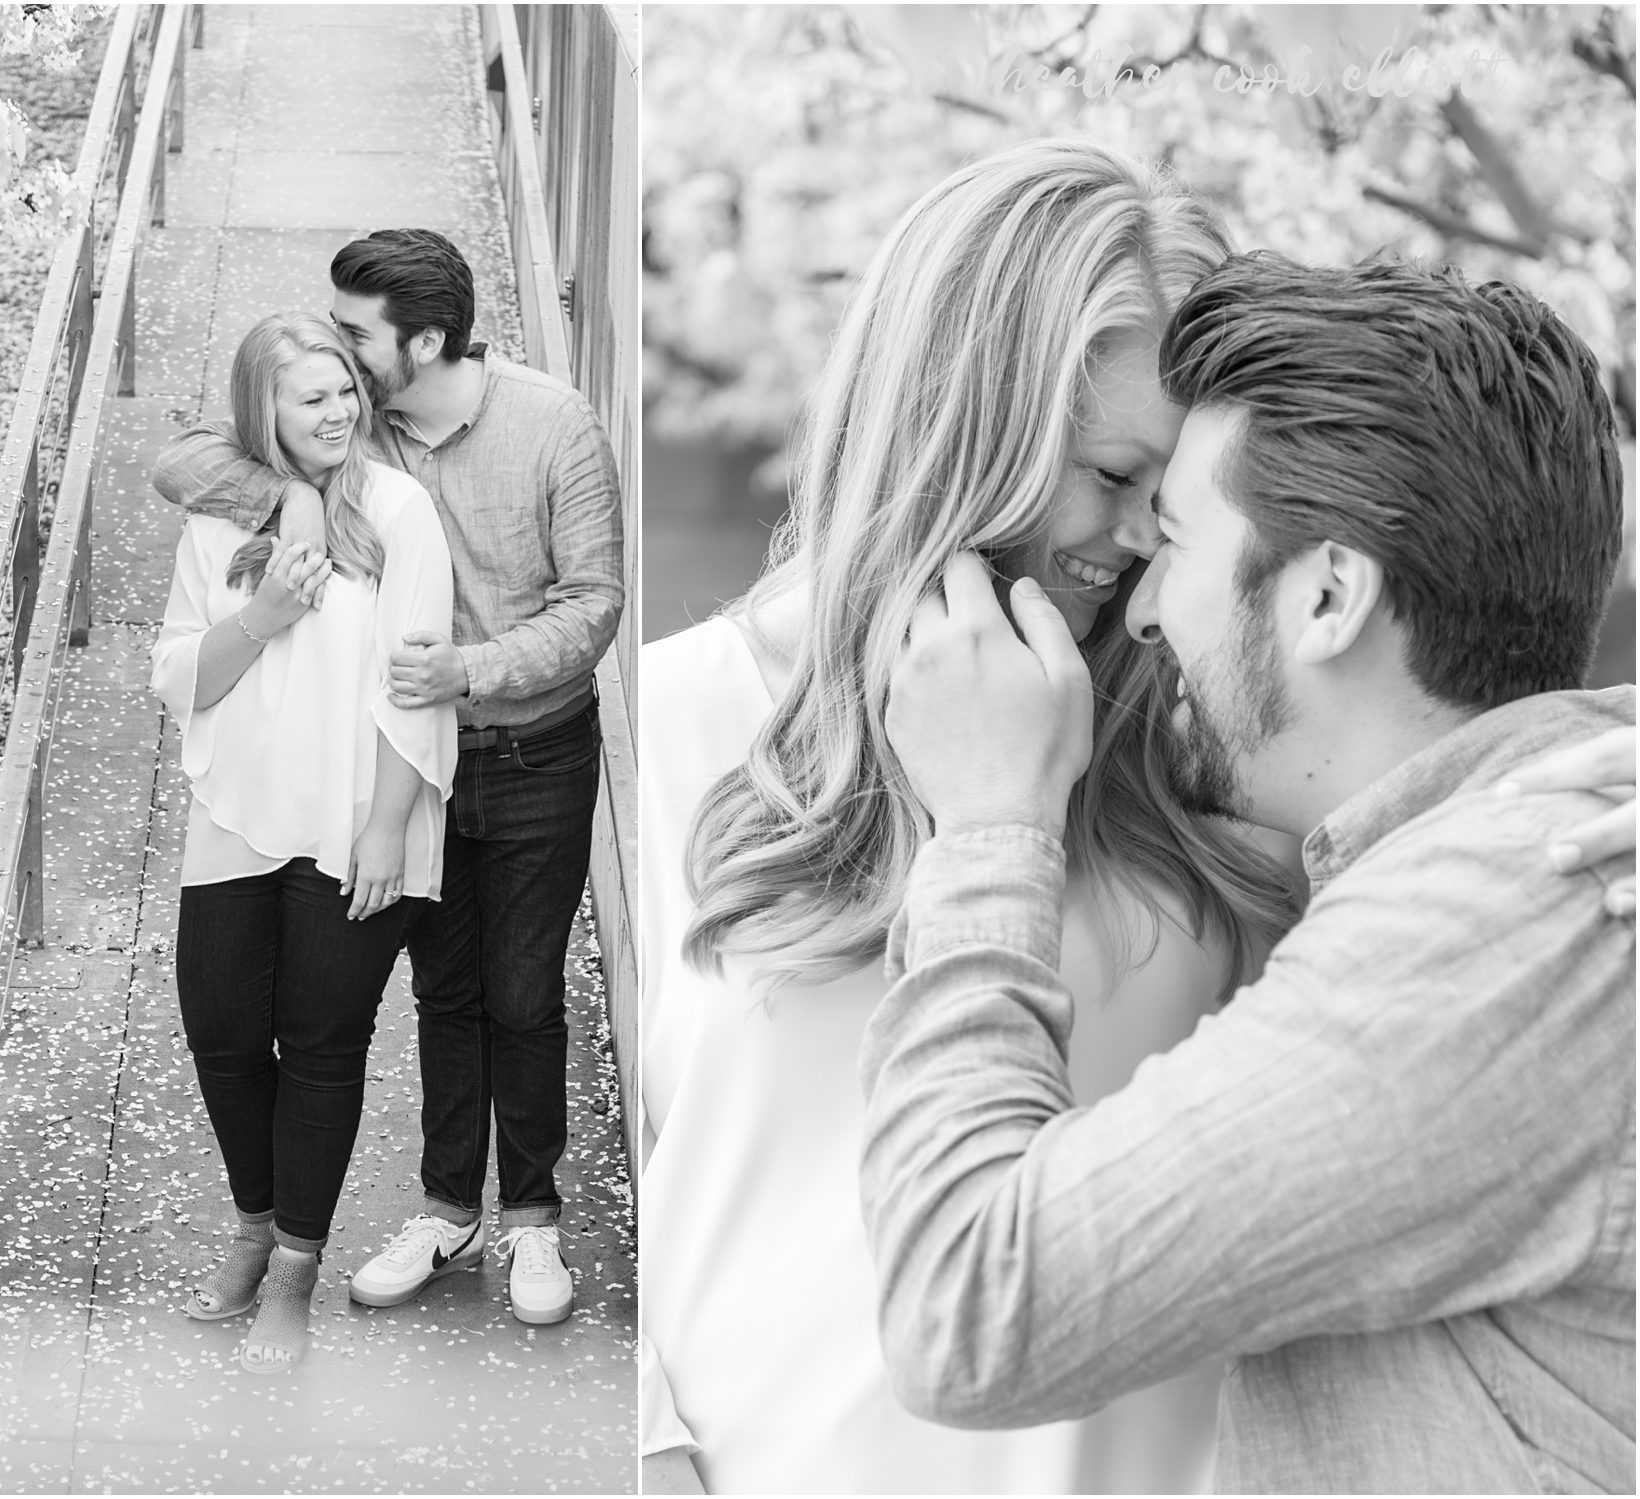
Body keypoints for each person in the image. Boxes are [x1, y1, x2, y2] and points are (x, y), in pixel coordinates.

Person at [865, 254, 1635, 1492]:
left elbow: (968, 1304)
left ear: (1327, 594)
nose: (1150, 609)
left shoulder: (1489, 927)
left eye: (1172, 536)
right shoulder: (1552, 852)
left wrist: (993, 824)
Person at [641, 140, 1305, 1495]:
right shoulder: (668, 724)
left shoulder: (1209, 766)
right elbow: (571, 1165)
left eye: (1172, 496)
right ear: (966, 429)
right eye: (1111, 472)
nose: (1136, 540)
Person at [153, 229, 624, 1327]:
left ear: (423, 341)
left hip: (527, 744)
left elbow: (594, 602)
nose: (345, 369)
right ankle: (447, 1205)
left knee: (521, 991)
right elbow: (190, 457)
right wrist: (298, 505)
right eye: (331, 358)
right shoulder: (355, 440)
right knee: (442, 990)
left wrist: (471, 667)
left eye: (358, 343)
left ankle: (533, 1219)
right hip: (412, 767)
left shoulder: (551, 425)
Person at [149, 314, 456, 1373]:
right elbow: (181, 674)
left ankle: (292, 1266)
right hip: (236, 811)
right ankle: (250, 1221)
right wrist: (265, 609)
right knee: (224, 1035)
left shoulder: (399, 510)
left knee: (321, 1046)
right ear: (261, 413)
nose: (333, 413)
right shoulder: (218, 515)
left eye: (343, 392)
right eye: (307, 398)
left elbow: (417, 686)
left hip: (354, 821)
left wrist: (385, 828)